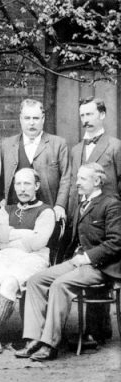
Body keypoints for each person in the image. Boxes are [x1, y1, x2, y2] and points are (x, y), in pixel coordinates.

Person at [16, 163, 121, 361]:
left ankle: (50, 344)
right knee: (35, 280)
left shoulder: (111, 203)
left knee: (60, 285)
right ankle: (33, 339)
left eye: (82, 179)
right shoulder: (81, 203)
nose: (77, 183)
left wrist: (88, 257)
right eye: (77, 178)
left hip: (101, 266)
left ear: (97, 181)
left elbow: (117, 242)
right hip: (78, 261)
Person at [0, 168, 55, 357]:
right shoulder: (7, 209)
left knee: (9, 282)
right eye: (18, 184)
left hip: (34, 258)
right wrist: (25, 234)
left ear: (37, 186)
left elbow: (38, 242)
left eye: (27, 184)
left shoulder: (46, 211)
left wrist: (10, 234)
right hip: (5, 256)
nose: (22, 189)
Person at [68, 97, 121, 344]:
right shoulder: (77, 149)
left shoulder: (115, 146)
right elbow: (73, 184)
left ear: (102, 115)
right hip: (84, 215)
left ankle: (97, 331)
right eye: (82, 116)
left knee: (99, 265)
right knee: (84, 265)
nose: (86, 120)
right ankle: (91, 330)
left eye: (90, 114)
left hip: (108, 217)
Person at [0, 99, 70, 222]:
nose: (31, 123)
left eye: (36, 118)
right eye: (27, 118)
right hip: (15, 210)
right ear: (20, 119)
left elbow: (66, 177)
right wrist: (1, 199)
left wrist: (60, 205)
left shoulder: (58, 144)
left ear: (43, 119)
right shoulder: (7, 145)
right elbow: (0, 177)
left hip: (48, 211)